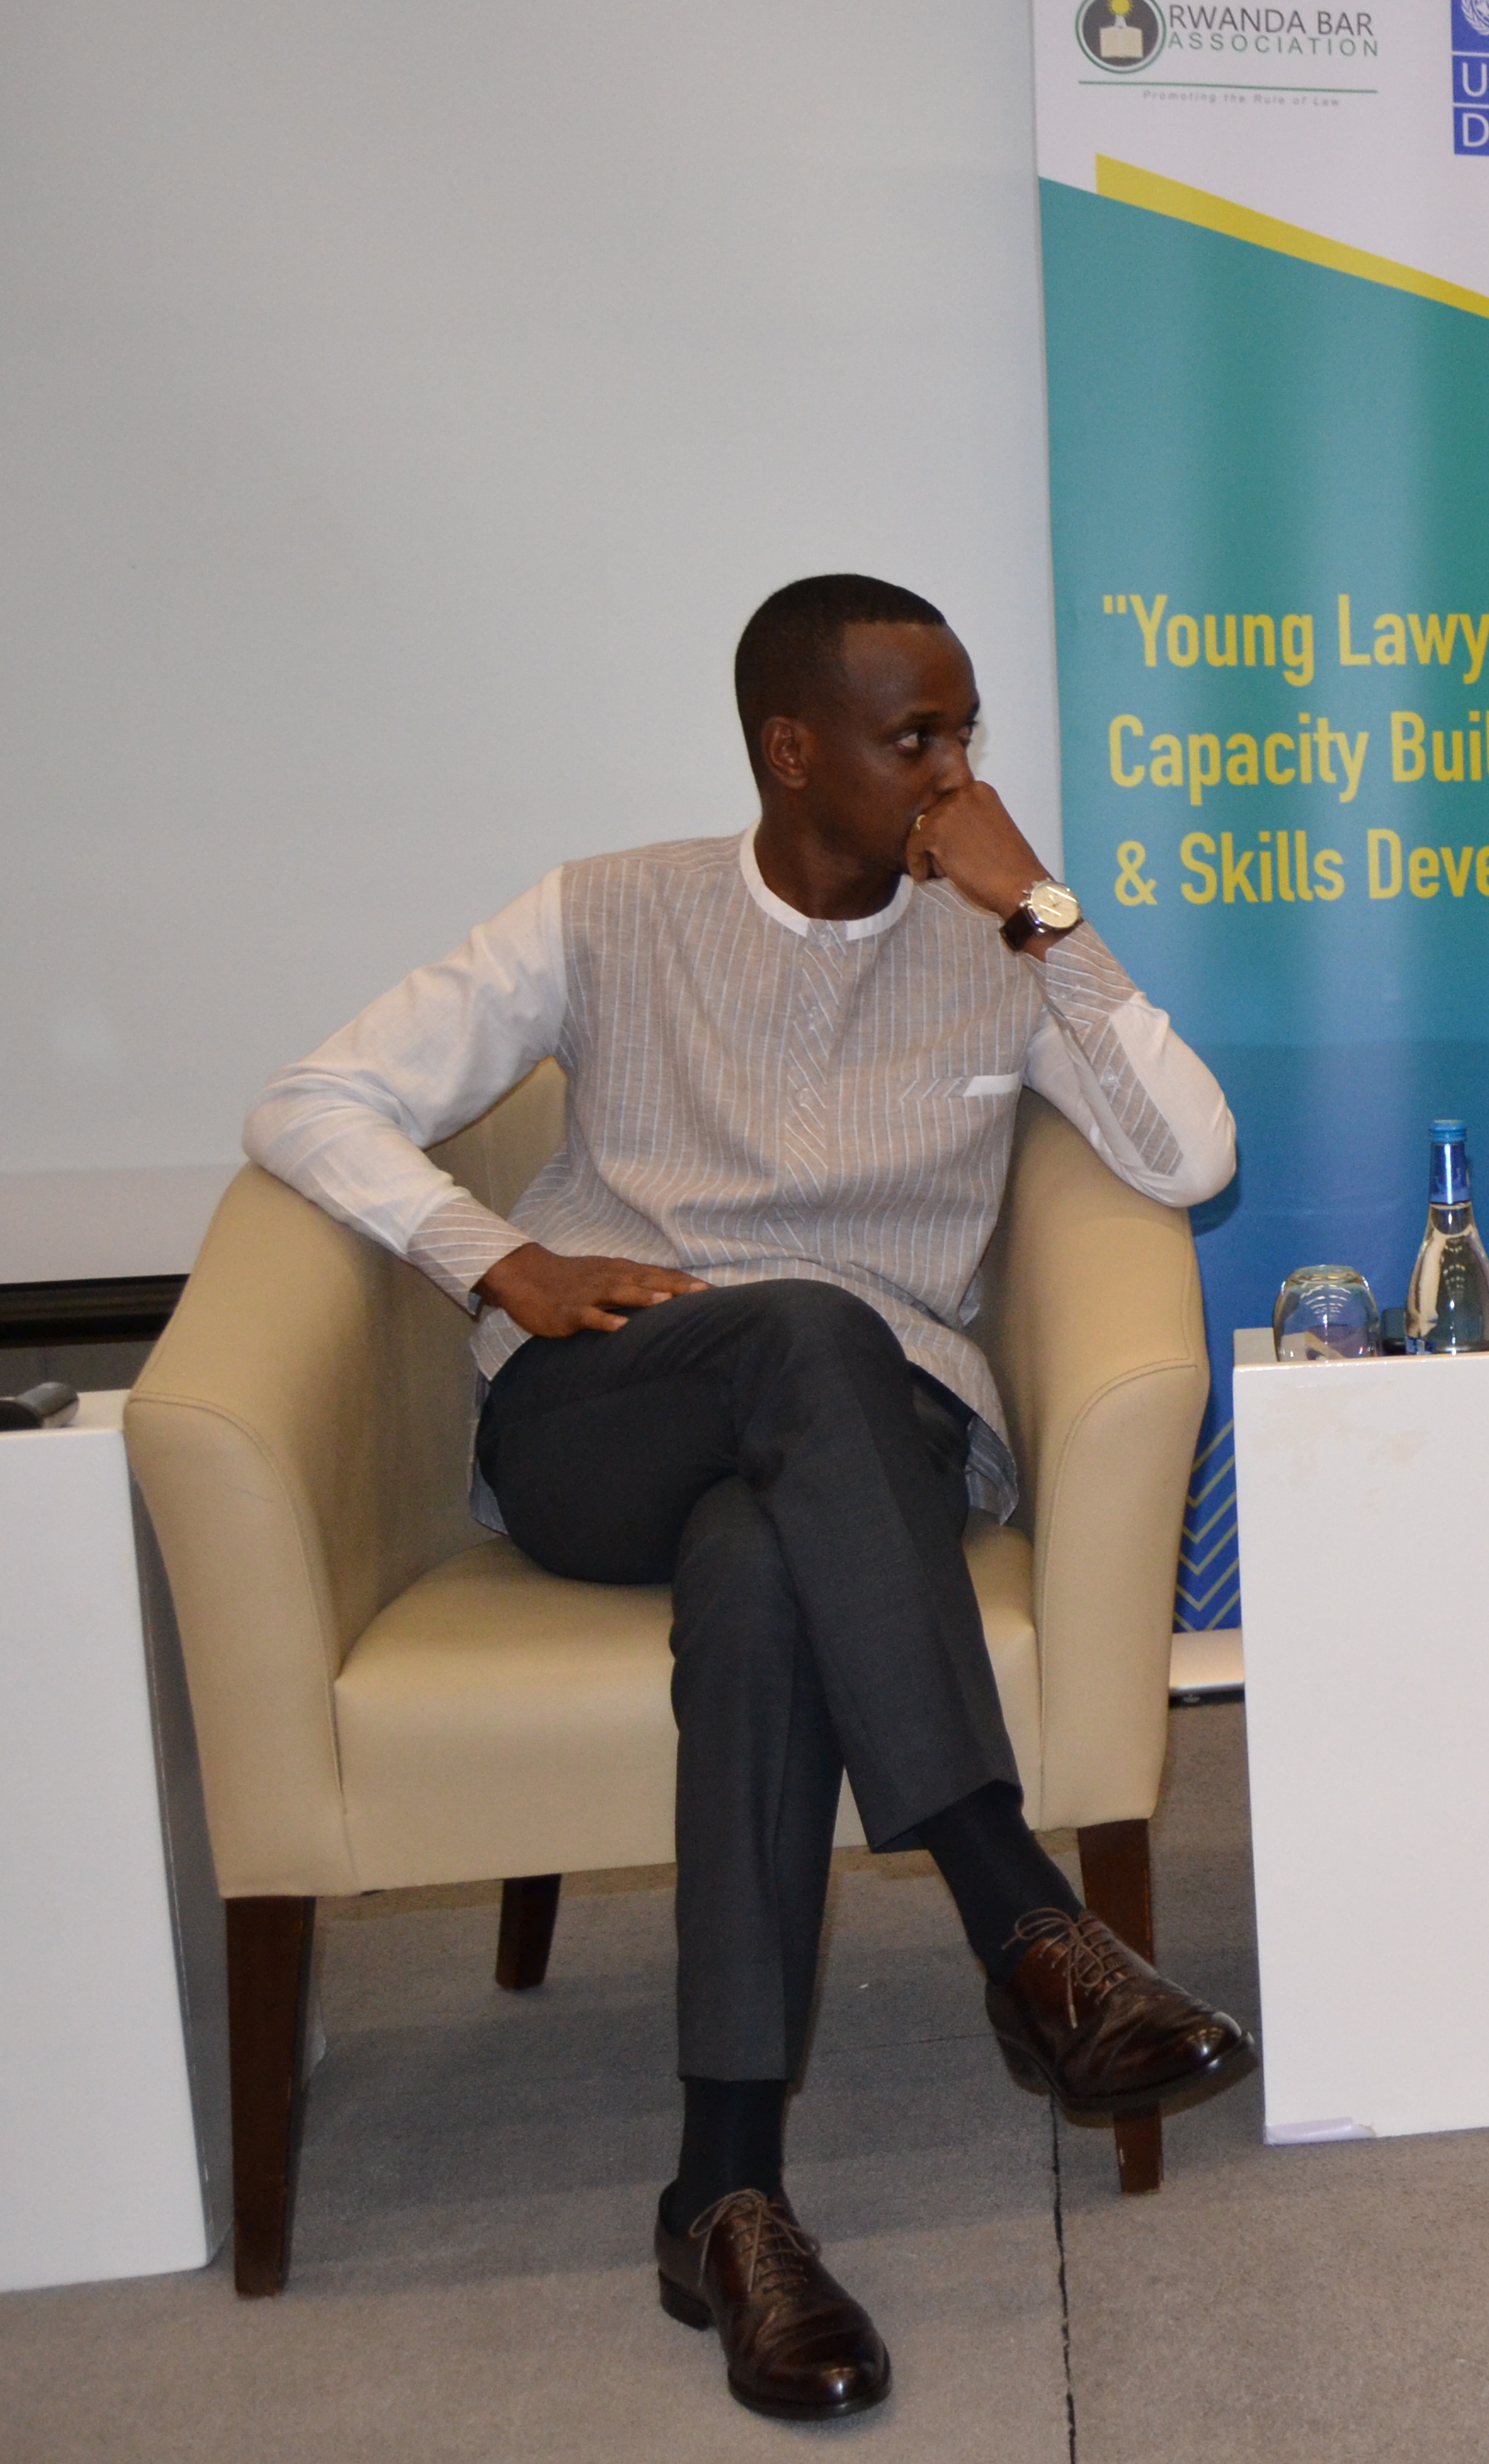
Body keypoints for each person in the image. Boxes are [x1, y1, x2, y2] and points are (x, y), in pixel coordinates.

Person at [246, 574, 1255, 2420]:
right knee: (796, 1326)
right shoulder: (605, 910)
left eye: (966, 732)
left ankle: (724, 2197)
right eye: (915, 737)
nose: (955, 773)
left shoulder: (995, 939)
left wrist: (1043, 910)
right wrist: (496, 1258)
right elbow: (311, 1101)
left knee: (766, 1568)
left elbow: (1191, 1156)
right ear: (792, 752)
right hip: (609, 1414)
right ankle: (1022, 1920)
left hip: (862, 1441)